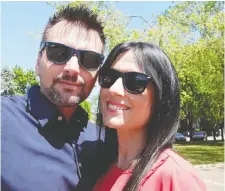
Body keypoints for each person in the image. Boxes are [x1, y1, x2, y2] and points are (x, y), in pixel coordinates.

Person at [1, 5, 105, 191]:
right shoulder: (4, 121)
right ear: (37, 63)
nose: (72, 68)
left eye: (89, 60)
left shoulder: (106, 141)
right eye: (58, 53)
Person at [93, 42, 207, 191]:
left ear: (161, 96)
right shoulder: (101, 169)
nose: (114, 89)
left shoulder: (176, 177)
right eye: (109, 77)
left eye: (134, 81)